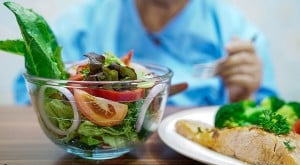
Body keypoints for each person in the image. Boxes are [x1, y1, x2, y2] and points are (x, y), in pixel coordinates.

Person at [14, 0, 278, 106]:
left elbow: (268, 112)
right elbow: (29, 92)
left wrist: (243, 96)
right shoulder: (82, 24)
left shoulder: (237, 32)